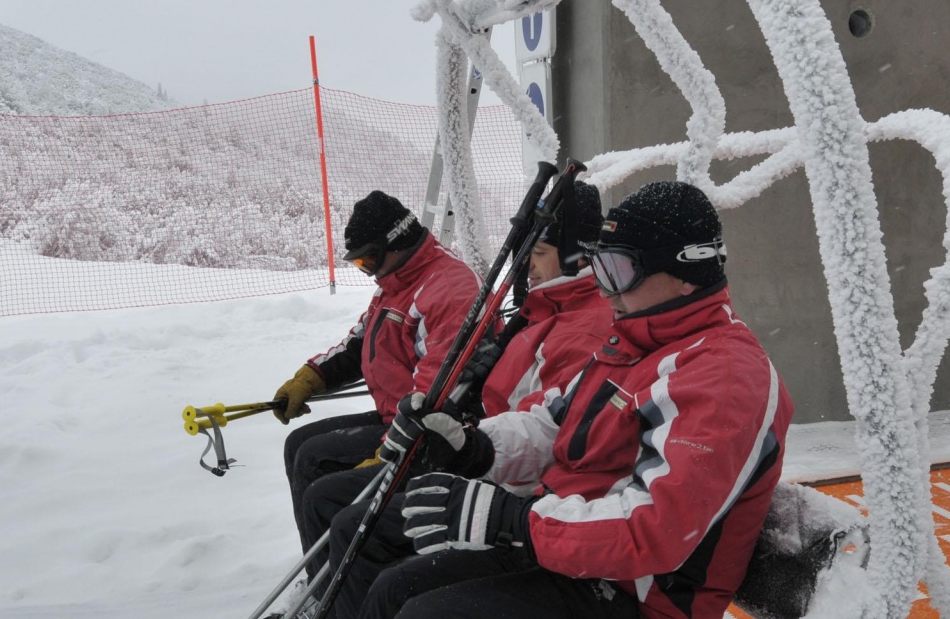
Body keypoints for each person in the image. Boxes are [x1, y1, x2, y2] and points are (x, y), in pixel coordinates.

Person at [351, 180, 795, 619]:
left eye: (618, 272)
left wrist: (516, 521)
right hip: (573, 556)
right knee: (397, 588)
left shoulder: (726, 377)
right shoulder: (634, 342)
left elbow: (656, 531)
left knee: (429, 614)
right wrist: (473, 448)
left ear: (685, 276)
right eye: (599, 270)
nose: (605, 291)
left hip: (640, 595)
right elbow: (553, 421)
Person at [310, 182, 612, 617]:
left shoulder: (582, 329)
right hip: (472, 453)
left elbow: (548, 431)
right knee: (328, 489)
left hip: (509, 489)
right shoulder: (545, 310)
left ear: (576, 255)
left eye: (539, 253)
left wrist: (466, 446)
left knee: (354, 526)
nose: (527, 266)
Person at [274, 190, 482, 559]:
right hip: (394, 414)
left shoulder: (447, 288)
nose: (367, 271)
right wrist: (311, 377)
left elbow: (438, 389)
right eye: (359, 264)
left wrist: (389, 449)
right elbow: (361, 343)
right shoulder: (396, 281)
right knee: (300, 447)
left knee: (316, 471)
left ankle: (334, 590)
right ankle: (322, 572)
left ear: (397, 241)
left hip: (427, 431)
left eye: (369, 259)